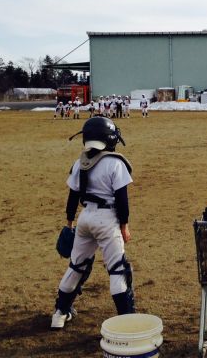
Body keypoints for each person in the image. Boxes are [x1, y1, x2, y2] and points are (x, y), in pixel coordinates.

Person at [51, 116, 136, 329]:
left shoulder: (79, 163)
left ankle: (59, 314)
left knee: (76, 266)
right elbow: (122, 199)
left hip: (85, 218)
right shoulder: (115, 162)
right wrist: (124, 225)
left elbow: (72, 197)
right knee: (117, 269)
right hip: (107, 219)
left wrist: (70, 223)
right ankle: (126, 320)